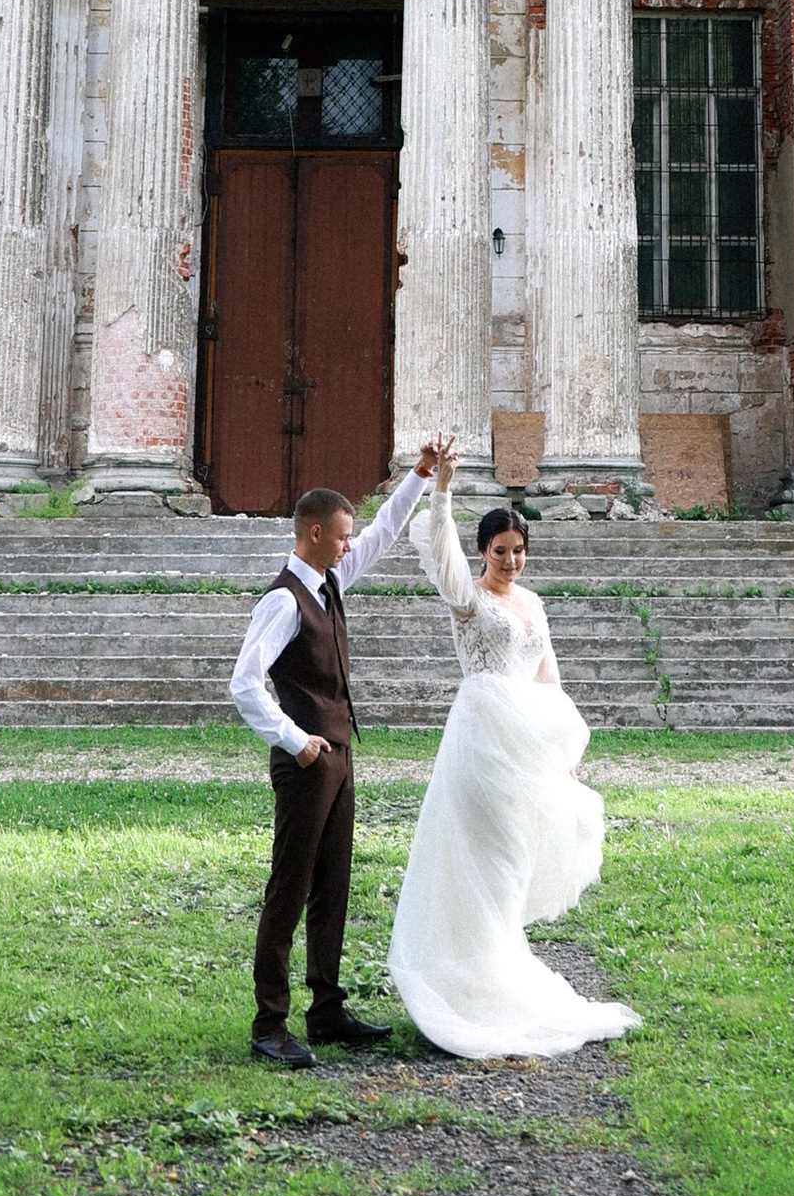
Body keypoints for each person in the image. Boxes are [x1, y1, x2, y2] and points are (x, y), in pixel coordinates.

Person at [387, 473, 641, 1061]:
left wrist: (564, 752)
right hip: (482, 738)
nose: (510, 562)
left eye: (518, 552)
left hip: (528, 738)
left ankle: (499, 966)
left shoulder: (533, 603)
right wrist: (443, 491)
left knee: (516, 858)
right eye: (500, 552)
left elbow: (548, 675)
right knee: (490, 855)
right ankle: (469, 980)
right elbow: (442, 549)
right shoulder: (467, 597)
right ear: (484, 553)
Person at [229, 435, 453, 1068]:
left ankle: (325, 1009)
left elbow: (382, 534)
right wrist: (297, 742)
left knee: (334, 885)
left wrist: (420, 475)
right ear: (312, 534)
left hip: (340, 755)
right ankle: (269, 1023)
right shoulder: (284, 599)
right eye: (341, 536)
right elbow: (243, 683)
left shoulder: (330, 580)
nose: (350, 544)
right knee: (290, 888)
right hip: (306, 762)